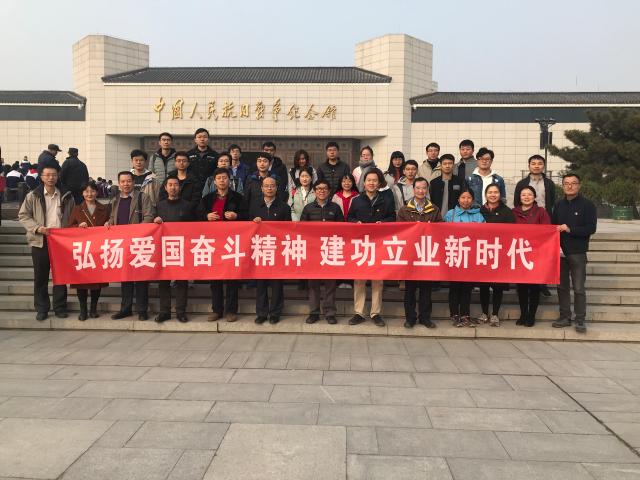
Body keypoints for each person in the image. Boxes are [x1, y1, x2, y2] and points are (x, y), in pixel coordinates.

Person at [18, 163, 74, 321]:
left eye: (54, 175)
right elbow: (23, 215)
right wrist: (37, 228)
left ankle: (60, 307)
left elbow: (73, 216)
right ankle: (42, 308)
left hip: (60, 241)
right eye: (47, 175)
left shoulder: (66, 195)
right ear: (41, 177)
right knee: (40, 277)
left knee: (60, 277)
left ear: (58, 176)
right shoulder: (33, 195)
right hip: (40, 241)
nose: (51, 178)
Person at [347, 168, 396, 327]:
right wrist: (356, 223)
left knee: (377, 280)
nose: (371, 183)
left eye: (375, 180)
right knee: (359, 279)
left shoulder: (386, 200)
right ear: (364, 182)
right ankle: (359, 312)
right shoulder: (356, 200)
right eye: (369, 180)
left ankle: (375, 313)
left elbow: (392, 218)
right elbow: (349, 218)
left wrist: (384, 223)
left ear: (379, 183)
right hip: (361, 245)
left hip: (379, 245)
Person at [552, 174, 597, 333]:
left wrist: (570, 229)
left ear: (579, 185)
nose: (569, 186)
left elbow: (591, 228)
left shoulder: (588, 205)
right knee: (561, 287)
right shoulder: (558, 204)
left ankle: (580, 319)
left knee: (578, 288)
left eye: (573, 183)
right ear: (562, 186)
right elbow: (553, 226)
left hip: (578, 252)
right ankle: (565, 317)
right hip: (560, 252)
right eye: (566, 183)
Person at [107, 171, 154, 320]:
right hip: (122, 245)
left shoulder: (142, 197)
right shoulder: (115, 200)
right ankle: (125, 308)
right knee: (125, 278)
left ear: (133, 182)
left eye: (128, 181)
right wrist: (109, 223)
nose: (126, 184)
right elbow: (112, 218)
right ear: (119, 183)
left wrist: (136, 233)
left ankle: (142, 310)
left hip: (139, 243)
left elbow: (149, 217)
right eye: (123, 181)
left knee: (141, 279)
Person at [200, 167, 246, 323]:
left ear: (229, 180)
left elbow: (247, 215)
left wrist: (236, 216)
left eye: (225, 178)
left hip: (231, 243)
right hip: (213, 244)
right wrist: (206, 216)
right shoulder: (207, 199)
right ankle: (216, 310)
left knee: (232, 279)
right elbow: (197, 216)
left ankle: (231, 310)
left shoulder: (238, 198)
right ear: (214, 181)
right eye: (219, 178)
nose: (222, 181)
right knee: (215, 279)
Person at [397, 177, 442, 328]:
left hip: (427, 254)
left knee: (426, 288)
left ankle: (425, 317)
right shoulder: (404, 209)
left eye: (423, 188)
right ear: (413, 189)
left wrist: (430, 228)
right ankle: (410, 318)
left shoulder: (434, 209)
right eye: (418, 188)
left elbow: (441, 228)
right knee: (409, 288)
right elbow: (399, 230)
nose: (421, 191)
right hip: (410, 253)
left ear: (427, 190)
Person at [153, 177, 197, 323]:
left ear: (180, 187)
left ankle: (181, 311)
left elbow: (195, 227)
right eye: (170, 185)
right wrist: (155, 222)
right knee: (163, 281)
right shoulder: (159, 206)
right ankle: (164, 311)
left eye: (176, 185)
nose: (173, 187)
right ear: (165, 188)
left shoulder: (188, 206)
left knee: (182, 281)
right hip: (164, 248)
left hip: (183, 248)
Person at [300, 179, 344, 324]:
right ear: (314, 191)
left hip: (331, 250)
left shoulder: (335, 208)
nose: (322, 191)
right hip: (313, 251)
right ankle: (314, 312)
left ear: (329, 191)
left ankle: (330, 312)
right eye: (319, 188)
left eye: (325, 188)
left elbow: (343, 229)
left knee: (330, 283)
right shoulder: (308, 208)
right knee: (313, 283)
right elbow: (302, 230)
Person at [249, 177, 292, 324]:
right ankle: (261, 313)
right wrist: (253, 223)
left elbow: (288, 229)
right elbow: (247, 227)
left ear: (276, 188)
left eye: (272, 186)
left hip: (277, 250)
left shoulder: (284, 207)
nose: (269, 188)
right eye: (266, 186)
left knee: (277, 284)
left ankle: (275, 313)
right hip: (260, 249)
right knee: (261, 283)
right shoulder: (254, 206)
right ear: (261, 188)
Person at [514, 154, 557, 296]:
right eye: (533, 163)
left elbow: (552, 202)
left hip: (543, 221)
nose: (536, 166)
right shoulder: (522, 183)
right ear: (529, 166)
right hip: (525, 222)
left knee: (541, 255)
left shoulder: (549, 183)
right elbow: (517, 203)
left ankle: (542, 283)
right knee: (525, 252)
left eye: (539, 163)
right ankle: (522, 282)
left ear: (543, 166)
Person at [66, 181, 110, 320]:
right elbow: (69, 227)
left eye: (92, 191)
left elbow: (111, 224)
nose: (89, 194)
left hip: (98, 249)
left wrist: (109, 224)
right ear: (82, 193)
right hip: (83, 251)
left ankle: (93, 309)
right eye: (86, 191)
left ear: (97, 192)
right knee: (82, 282)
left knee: (97, 283)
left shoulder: (104, 208)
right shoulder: (77, 209)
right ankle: (83, 310)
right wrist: (78, 227)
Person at [444, 190, 485, 327]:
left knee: (467, 287)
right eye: (463, 197)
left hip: (471, 255)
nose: (466, 200)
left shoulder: (478, 215)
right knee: (455, 286)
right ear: (458, 199)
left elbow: (485, 233)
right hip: (455, 254)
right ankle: (454, 314)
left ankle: (465, 314)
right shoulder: (451, 214)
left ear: (473, 199)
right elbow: (443, 233)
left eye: (469, 197)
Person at [513, 185, 552, 327]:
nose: (526, 197)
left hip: (536, 253)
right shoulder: (513, 212)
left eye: (529, 194)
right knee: (521, 287)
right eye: (523, 195)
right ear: (519, 197)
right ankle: (523, 314)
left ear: (534, 197)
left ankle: (531, 316)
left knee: (534, 286)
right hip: (519, 253)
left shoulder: (541, 212)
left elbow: (547, 230)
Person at [479, 184, 516, 327]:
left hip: (499, 253)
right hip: (482, 252)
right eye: (490, 192)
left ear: (500, 195)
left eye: (496, 192)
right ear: (485, 194)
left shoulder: (507, 212)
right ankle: (484, 313)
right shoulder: (480, 211)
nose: (493, 195)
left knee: (498, 285)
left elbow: (512, 232)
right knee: (483, 285)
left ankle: (495, 314)